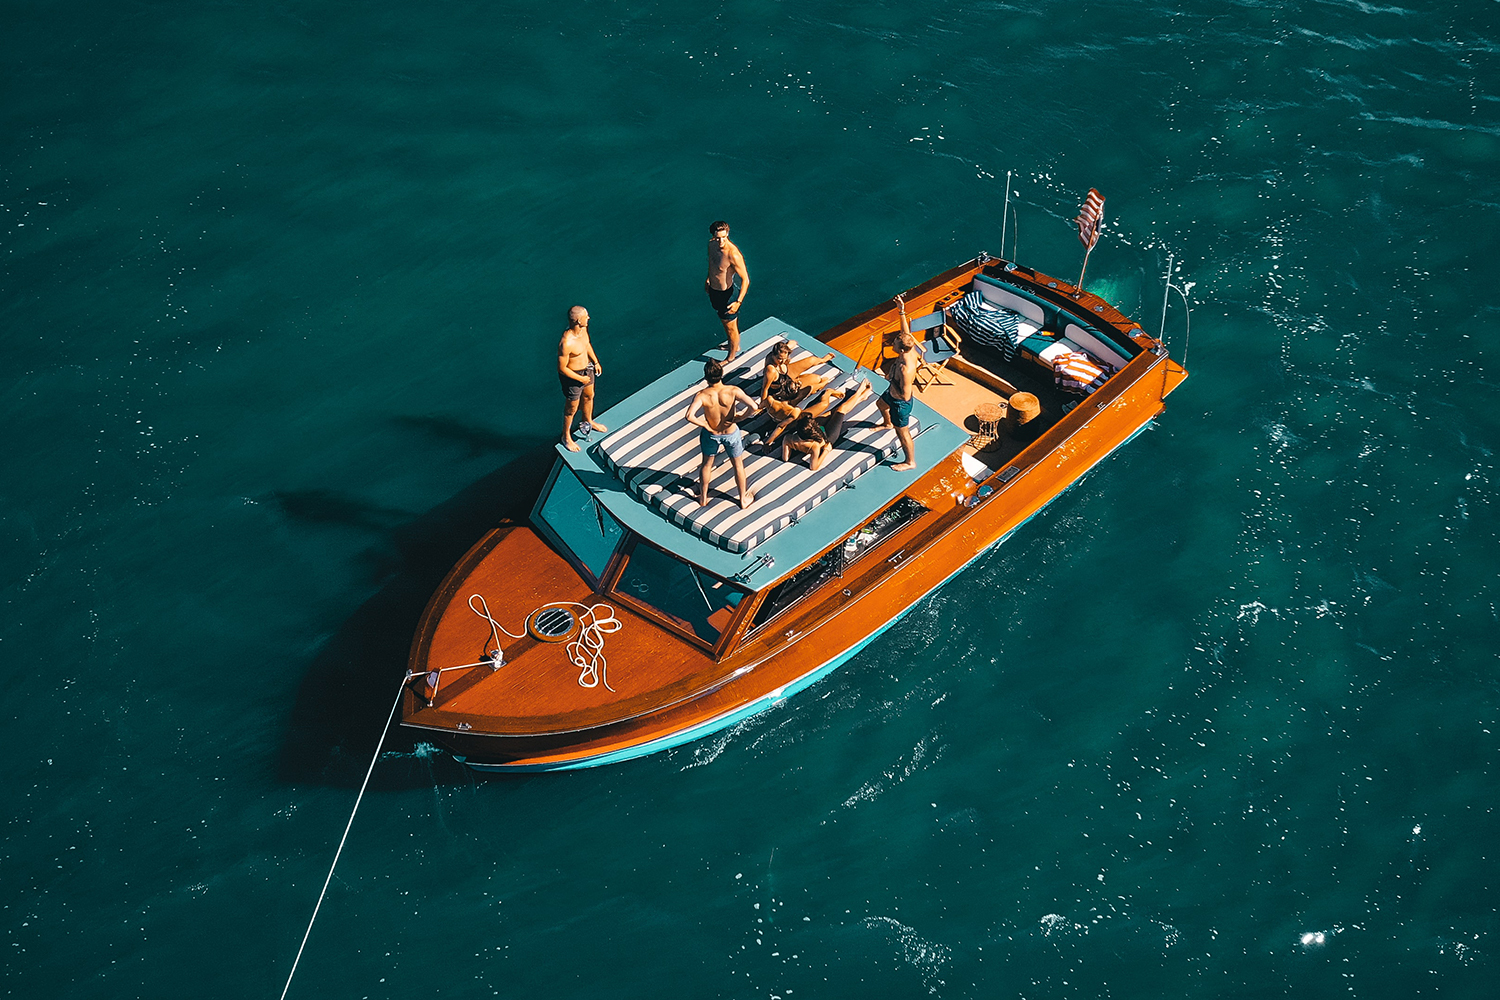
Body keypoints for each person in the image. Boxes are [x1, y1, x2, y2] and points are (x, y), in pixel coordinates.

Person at [684, 359, 762, 509]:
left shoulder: (702, 395)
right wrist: (742, 416)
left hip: (711, 433)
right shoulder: (733, 391)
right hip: (730, 432)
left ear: (706, 377)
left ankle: (703, 498)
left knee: (706, 464)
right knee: (738, 465)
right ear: (721, 374)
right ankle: (742, 500)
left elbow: (689, 416)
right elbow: (754, 406)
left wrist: (705, 424)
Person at [779, 380, 875, 471]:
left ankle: (861, 398)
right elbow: (813, 467)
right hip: (828, 436)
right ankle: (858, 393)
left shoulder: (788, 439)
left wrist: (791, 448)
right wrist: (826, 451)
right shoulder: (814, 446)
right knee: (841, 410)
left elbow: (785, 458)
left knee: (831, 413)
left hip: (812, 432)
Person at [558, 305, 605, 452]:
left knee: (589, 396)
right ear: (578, 320)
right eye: (586, 316)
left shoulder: (583, 331)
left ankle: (588, 420)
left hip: (588, 369)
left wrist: (595, 361)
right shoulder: (566, 342)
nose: (588, 318)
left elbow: (587, 345)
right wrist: (580, 379)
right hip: (573, 375)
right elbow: (562, 368)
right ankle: (566, 437)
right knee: (571, 408)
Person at [705, 221, 750, 361]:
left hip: (728, 297)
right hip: (714, 292)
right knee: (726, 324)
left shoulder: (733, 254)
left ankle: (731, 356)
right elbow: (712, 264)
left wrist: (738, 302)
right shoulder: (711, 245)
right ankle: (733, 345)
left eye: (724, 237)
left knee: (731, 328)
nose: (721, 241)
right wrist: (708, 280)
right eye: (718, 238)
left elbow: (746, 280)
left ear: (728, 234)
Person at [875, 329, 919, 472]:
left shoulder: (905, 369)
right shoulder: (909, 350)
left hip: (900, 404)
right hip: (891, 394)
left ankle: (910, 462)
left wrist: (891, 380)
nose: (891, 344)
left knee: (902, 433)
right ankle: (887, 424)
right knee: (880, 404)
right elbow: (906, 332)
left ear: (900, 350)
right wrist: (901, 311)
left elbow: (905, 396)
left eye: (894, 343)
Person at [760, 338, 835, 408]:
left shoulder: (781, 353)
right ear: (773, 355)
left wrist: (788, 345)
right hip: (782, 389)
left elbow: (793, 342)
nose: (782, 361)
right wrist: (762, 405)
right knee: (816, 379)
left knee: (811, 360)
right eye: (779, 359)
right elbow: (765, 389)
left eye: (784, 358)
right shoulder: (771, 369)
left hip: (786, 375)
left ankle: (823, 360)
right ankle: (823, 384)